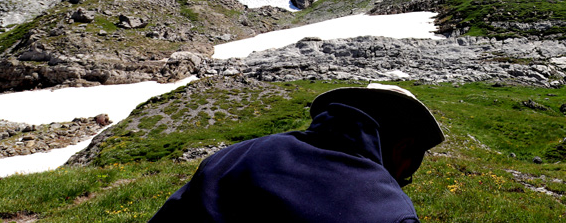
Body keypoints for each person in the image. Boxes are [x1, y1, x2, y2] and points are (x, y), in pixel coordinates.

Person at [149, 83, 444, 222]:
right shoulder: (390, 214)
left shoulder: (231, 157)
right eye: (413, 165)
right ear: (403, 148)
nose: (406, 178)